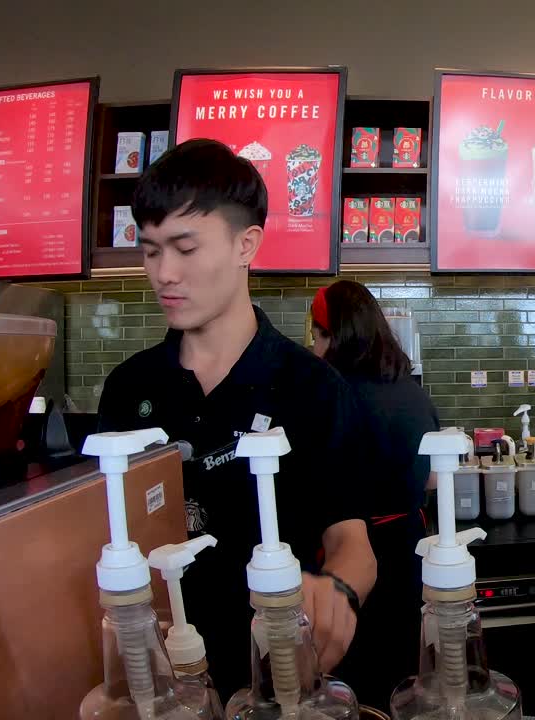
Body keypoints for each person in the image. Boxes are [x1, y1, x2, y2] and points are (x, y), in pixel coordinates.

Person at [96, 139, 376, 693]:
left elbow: (352, 541)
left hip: (274, 679)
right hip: (159, 685)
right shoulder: (129, 389)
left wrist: (336, 592)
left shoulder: (312, 387)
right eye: (151, 250)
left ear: (246, 244)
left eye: (185, 248)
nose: (163, 274)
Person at [309, 279, 440, 702]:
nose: (314, 348)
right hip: (409, 550)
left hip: (350, 560)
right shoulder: (412, 391)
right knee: (403, 672)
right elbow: (433, 479)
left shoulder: (330, 396)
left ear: (334, 335)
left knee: (352, 681)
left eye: (318, 336)